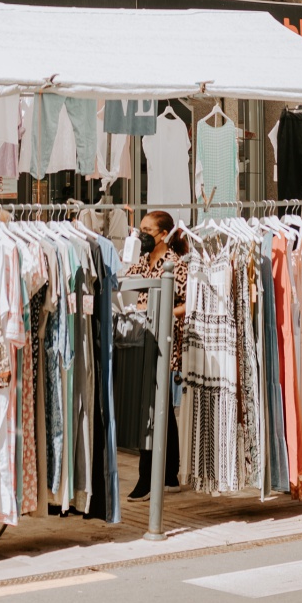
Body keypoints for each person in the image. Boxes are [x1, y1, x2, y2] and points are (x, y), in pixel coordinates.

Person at [123, 209, 188, 500]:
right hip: (142, 338)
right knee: (160, 409)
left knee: (147, 410)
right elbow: (125, 283)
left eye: (147, 231)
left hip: (161, 341)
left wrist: (160, 315)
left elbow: (188, 302)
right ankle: (170, 475)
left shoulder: (173, 264)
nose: (142, 235)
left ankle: (147, 479)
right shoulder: (142, 261)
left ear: (163, 234)